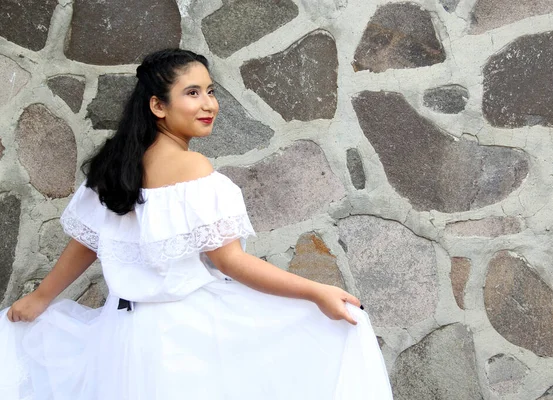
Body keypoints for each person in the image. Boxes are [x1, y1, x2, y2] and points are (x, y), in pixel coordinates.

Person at [0, 48, 392, 399]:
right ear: (157, 105)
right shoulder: (193, 169)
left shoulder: (115, 166)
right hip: (184, 337)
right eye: (193, 93)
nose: (209, 104)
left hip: (121, 336)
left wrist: (41, 297)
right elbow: (231, 262)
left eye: (210, 91)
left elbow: (86, 243)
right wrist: (316, 292)